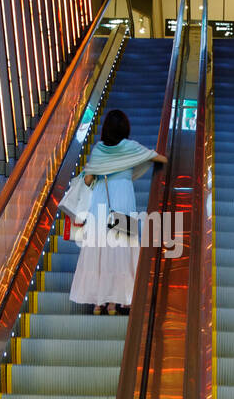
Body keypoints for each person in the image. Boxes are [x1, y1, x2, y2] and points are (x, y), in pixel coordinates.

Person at [69, 109, 166, 314]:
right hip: (122, 202)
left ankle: (98, 302)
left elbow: (88, 180)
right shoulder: (131, 148)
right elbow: (158, 158)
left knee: (100, 250)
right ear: (125, 128)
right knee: (121, 250)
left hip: (101, 205)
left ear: (105, 130)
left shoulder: (98, 150)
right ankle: (118, 300)